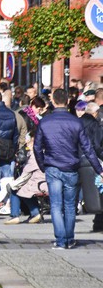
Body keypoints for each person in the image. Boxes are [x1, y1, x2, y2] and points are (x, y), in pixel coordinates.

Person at [33, 89, 103, 249]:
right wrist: (99, 169)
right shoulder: (75, 122)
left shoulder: (45, 122)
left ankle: (60, 239)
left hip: (52, 166)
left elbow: (37, 147)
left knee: (56, 205)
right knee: (70, 205)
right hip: (71, 166)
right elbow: (88, 148)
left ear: (54, 102)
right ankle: (69, 238)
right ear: (66, 101)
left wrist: (43, 165)